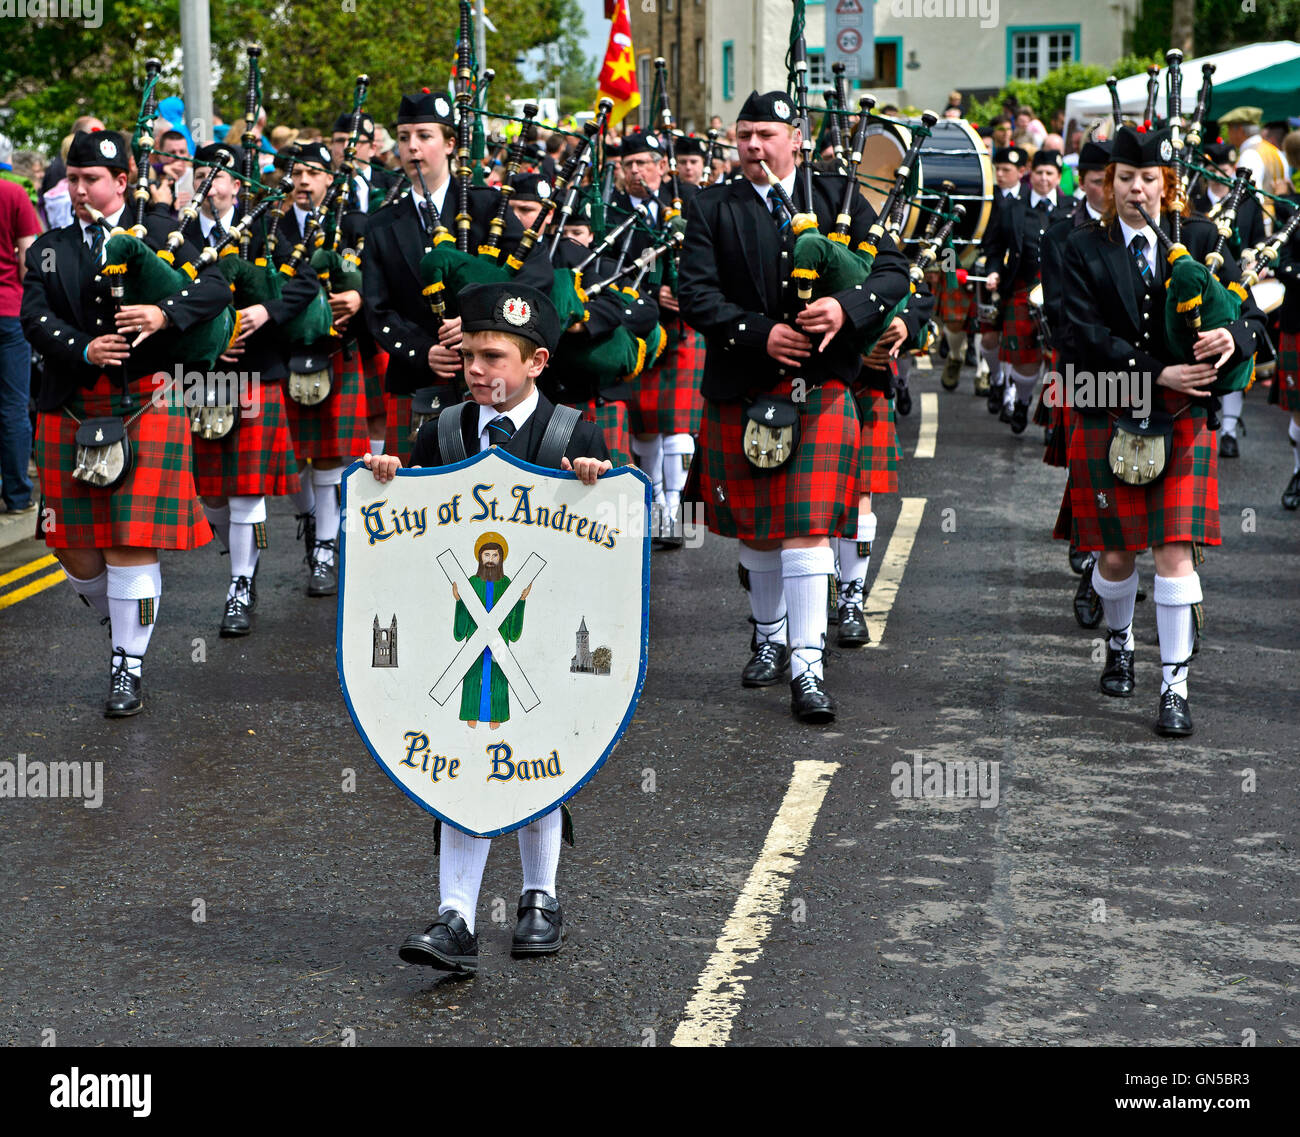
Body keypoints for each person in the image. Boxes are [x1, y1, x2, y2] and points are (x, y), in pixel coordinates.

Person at [364, 281, 610, 975]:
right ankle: (456, 918)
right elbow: (407, 546)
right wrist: (390, 478)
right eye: (469, 355)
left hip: (543, 639)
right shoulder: (439, 431)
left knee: (536, 763)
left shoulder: (572, 434)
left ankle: (540, 897)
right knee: (459, 765)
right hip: (461, 643)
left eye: (493, 356)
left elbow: (611, 557)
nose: (476, 370)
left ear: (534, 363)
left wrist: (596, 485)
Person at [677, 90, 910, 723]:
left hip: (822, 386)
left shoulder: (836, 195)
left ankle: (807, 665)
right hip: (743, 384)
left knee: (806, 526)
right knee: (757, 529)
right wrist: (759, 333)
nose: (752, 146)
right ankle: (768, 635)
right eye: (743, 134)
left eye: (765, 134)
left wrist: (848, 307)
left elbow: (893, 273)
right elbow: (695, 294)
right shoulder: (710, 207)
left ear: (795, 138)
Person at [1058, 125, 1266, 737]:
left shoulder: (1201, 239)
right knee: (1118, 555)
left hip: (1182, 423)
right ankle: (1119, 641)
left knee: (1174, 551)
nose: (1137, 191)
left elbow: (1249, 313)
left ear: (1166, 185)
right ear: (1109, 184)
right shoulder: (1082, 248)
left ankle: (1173, 685)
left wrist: (1235, 337)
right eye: (1126, 179)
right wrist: (1156, 373)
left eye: (1150, 180)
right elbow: (1077, 337)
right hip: (1110, 409)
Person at [20, 129, 229, 715]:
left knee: (129, 541)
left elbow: (214, 288)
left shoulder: (165, 233)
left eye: (93, 179)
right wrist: (83, 349)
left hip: (146, 400)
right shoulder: (49, 247)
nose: (81, 189)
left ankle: (127, 666)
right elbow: (32, 316)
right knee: (74, 549)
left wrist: (166, 313)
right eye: (74, 178)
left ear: (121, 180)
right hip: (70, 401)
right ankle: (122, 630)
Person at [361, 89, 529, 466]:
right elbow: (377, 310)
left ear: (451, 143)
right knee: (417, 508)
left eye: (424, 136)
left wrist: (479, 325)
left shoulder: (487, 207)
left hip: (494, 377)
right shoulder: (383, 223)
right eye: (404, 138)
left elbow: (532, 279)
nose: (412, 148)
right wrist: (424, 352)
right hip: (416, 380)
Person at [190, 141, 308, 635]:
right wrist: (208, 343)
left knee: (246, 491)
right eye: (200, 173)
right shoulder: (171, 233)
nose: (206, 183)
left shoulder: (267, 230)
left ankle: (240, 583)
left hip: (257, 372)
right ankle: (238, 553)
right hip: (200, 374)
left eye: (217, 176)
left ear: (237, 186)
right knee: (210, 495)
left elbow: (305, 284)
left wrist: (266, 310)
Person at [277, 139, 370, 597]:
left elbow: (376, 272)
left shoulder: (352, 222)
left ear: (330, 180)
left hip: (336, 349)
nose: (302, 182)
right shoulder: (275, 226)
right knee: (290, 459)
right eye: (296, 174)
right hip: (283, 349)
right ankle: (312, 515)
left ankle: (327, 550)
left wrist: (360, 296)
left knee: (331, 456)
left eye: (311, 173)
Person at [611, 129, 701, 547]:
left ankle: (675, 503)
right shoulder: (609, 215)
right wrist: (651, 296)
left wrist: (687, 293)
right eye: (628, 164)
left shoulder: (684, 209)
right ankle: (655, 509)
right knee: (645, 425)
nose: (635, 171)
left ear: (662, 168)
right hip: (636, 331)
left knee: (677, 424)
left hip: (681, 329)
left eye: (644, 163)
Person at [1192, 139, 1267, 460]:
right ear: (1206, 171)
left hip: (1236, 286)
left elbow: (1259, 241)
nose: (1222, 175)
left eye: (1226, 170)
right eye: (1216, 170)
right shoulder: (1192, 199)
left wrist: (1255, 262)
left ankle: (1230, 431)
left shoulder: (1248, 202)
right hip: (1201, 287)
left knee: (1234, 351)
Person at [983, 149, 1067, 432]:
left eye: (1050, 174)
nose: (1044, 179)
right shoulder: (1013, 208)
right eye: (1039, 173)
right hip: (1021, 289)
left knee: (1057, 360)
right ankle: (1021, 400)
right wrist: (994, 270)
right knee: (1024, 358)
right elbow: (994, 247)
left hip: (1060, 294)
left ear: (1058, 177)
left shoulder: (1071, 209)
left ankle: (1052, 421)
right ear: (1030, 174)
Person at [975, 144, 1029, 408]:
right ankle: (996, 378)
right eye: (998, 169)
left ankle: (1010, 392)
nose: (1000, 175)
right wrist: (991, 269)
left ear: (1021, 171)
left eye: (1006, 170)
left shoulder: (1030, 199)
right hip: (991, 273)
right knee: (988, 338)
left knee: (1014, 341)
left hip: (1019, 281)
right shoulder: (987, 197)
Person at [1, 173, 41, 515]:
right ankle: (17, 497)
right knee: (14, 406)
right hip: (8, 310)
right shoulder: (13, 193)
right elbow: (30, 260)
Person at [329, 111, 400, 214]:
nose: (346, 147)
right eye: (340, 141)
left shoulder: (392, 185)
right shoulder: (325, 186)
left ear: (372, 148)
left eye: (354, 142)